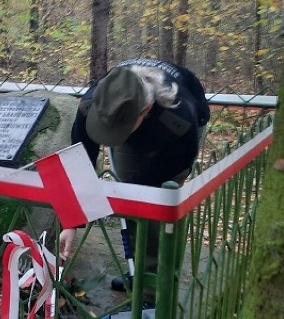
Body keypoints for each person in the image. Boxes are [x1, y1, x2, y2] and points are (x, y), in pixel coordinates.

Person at [58, 58, 210, 295]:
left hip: (175, 139)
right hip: (137, 127)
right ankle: (136, 271)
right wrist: (71, 221)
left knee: (155, 211)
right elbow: (79, 160)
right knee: (131, 200)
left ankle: (155, 287)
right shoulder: (93, 102)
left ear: (145, 110)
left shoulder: (179, 117)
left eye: (118, 129)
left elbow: (177, 163)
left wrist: (142, 190)